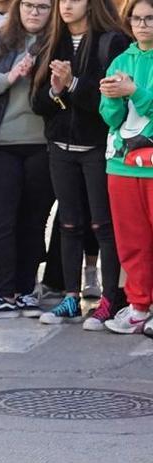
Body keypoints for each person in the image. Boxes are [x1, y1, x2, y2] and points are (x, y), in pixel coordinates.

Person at [30, 0, 126, 327]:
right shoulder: (51, 42)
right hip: (60, 146)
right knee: (69, 224)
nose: (66, 6)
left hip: (98, 147)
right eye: (62, 0)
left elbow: (109, 103)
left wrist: (72, 84)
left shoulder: (111, 42)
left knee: (103, 225)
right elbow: (37, 102)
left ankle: (111, 299)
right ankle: (70, 298)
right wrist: (56, 90)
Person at [0, 0, 54, 319]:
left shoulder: (58, 43)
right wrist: (7, 77)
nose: (34, 12)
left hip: (43, 145)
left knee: (32, 220)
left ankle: (27, 290)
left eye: (43, 6)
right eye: (28, 5)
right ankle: (4, 293)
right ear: (18, 8)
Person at [99, 0, 153, 335]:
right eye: (137, 18)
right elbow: (112, 119)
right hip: (121, 164)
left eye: (150, 18)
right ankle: (138, 306)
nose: (143, 24)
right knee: (132, 242)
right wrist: (112, 97)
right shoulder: (121, 60)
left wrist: (135, 90)